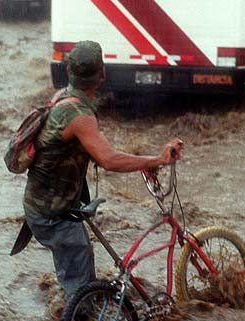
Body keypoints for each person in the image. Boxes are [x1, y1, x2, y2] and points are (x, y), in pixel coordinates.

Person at [23, 40, 182, 297]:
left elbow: (92, 150)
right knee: (82, 288)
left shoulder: (63, 98)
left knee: (77, 262)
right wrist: (157, 159)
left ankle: (74, 309)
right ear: (102, 75)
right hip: (53, 214)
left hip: (43, 204)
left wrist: (140, 162)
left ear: (69, 73)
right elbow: (108, 160)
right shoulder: (79, 116)